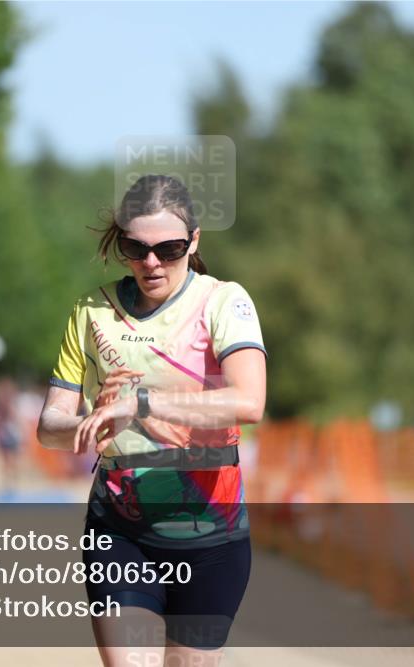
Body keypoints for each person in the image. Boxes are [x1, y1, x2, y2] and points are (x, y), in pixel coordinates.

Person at [37, 174, 267, 667]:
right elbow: (49, 426)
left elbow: (249, 401)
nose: (151, 262)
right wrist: (93, 421)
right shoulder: (91, 311)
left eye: (169, 248)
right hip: (119, 528)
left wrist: (142, 403)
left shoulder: (223, 301)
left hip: (211, 533)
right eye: (135, 248)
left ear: (195, 240)